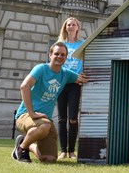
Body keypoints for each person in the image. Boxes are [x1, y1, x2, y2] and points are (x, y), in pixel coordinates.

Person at [12, 42, 88, 163]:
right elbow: (24, 86)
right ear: (50, 55)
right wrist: (32, 113)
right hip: (25, 115)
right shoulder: (41, 69)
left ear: (66, 57)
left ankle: (24, 143)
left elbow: (82, 78)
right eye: (56, 54)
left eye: (63, 54)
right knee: (44, 125)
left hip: (45, 120)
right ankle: (21, 149)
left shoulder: (66, 74)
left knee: (50, 159)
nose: (59, 56)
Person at [56, 17, 85, 159]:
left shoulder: (82, 44)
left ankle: (72, 151)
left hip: (75, 85)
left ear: (78, 27)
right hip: (61, 84)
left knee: (73, 118)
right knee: (62, 119)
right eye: (69, 25)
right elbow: (54, 64)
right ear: (65, 27)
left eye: (74, 24)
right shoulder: (60, 45)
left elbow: (88, 61)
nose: (71, 27)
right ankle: (62, 150)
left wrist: (83, 76)